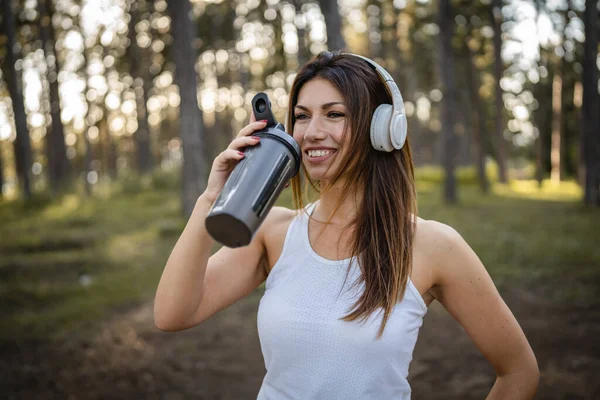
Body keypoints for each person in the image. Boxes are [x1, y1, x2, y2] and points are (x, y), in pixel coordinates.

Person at [154, 51, 539, 399]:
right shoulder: (272, 232)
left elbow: (519, 371)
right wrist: (211, 199)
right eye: (302, 116)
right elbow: (173, 314)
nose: (311, 132)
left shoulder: (433, 245)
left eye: (334, 114)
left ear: (383, 128)